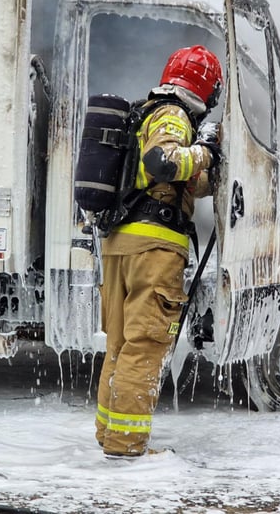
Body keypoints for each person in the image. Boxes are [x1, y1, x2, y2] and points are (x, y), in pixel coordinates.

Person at [95, 45, 223, 458]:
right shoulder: (174, 114)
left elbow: (169, 181)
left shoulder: (148, 111)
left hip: (121, 244)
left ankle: (109, 434)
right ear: (208, 88)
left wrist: (209, 175)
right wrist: (205, 151)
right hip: (154, 247)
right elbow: (163, 162)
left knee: (119, 346)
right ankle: (127, 445)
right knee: (145, 347)